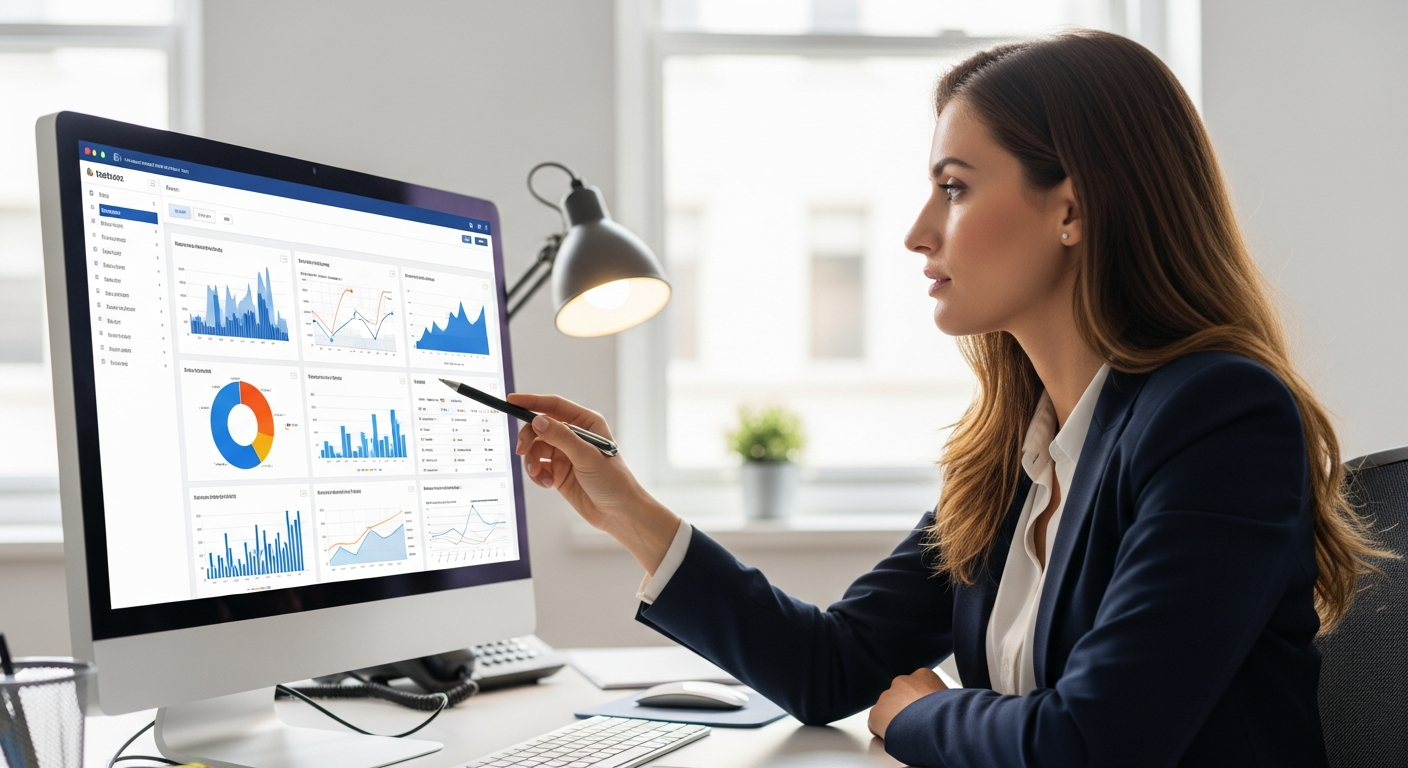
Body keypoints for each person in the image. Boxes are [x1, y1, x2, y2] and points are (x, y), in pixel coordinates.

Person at [508, 30, 1384, 767]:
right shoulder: (1023, 451)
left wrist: (917, 714)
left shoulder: (1218, 417)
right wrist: (623, 507)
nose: (917, 231)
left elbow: (1096, 744)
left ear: (1071, 209)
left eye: (955, 187)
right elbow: (833, 666)